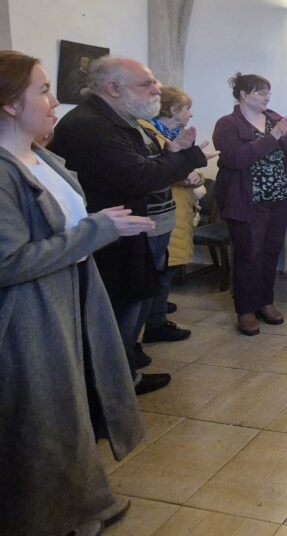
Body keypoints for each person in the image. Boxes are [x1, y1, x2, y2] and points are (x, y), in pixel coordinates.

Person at [0, 50, 154, 536]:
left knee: (72, 413)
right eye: (43, 90)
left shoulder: (40, 156)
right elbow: (8, 262)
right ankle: (52, 519)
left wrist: (102, 226)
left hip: (70, 300)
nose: (54, 101)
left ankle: (87, 503)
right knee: (44, 423)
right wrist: (99, 229)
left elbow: (69, 223)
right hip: (31, 318)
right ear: (10, 104)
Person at [50, 57, 213, 395]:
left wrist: (172, 153)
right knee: (112, 317)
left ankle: (124, 378)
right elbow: (138, 177)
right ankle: (111, 391)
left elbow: (140, 169)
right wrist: (186, 157)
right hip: (105, 242)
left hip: (123, 233)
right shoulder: (91, 126)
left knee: (133, 304)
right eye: (146, 84)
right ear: (113, 88)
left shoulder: (116, 121)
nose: (156, 89)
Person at [213, 73, 287, 335]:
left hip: (278, 198)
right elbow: (236, 158)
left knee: (271, 250)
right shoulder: (227, 124)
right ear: (243, 95)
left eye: (268, 92)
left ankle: (265, 301)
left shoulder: (274, 118)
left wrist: (283, 134)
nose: (267, 97)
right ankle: (245, 309)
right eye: (261, 92)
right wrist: (272, 137)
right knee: (248, 254)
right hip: (246, 200)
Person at [138, 87, 205, 346]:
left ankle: (158, 314)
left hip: (177, 208)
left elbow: (184, 168)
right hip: (162, 210)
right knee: (159, 270)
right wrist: (184, 175)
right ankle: (153, 323)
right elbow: (155, 173)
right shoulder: (150, 134)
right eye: (186, 108)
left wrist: (195, 174)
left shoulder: (174, 135)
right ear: (173, 109)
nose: (190, 114)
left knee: (165, 268)